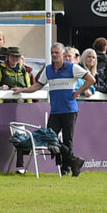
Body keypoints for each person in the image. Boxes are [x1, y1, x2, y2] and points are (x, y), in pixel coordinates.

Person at [26, 42, 92, 176]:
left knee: (67, 140)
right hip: (55, 110)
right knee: (50, 139)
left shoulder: (73, 67)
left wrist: (78, 91)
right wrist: (22, 90)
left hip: (69, 110)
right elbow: (38, 85)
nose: (54, 55)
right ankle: (74, 161)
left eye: (56, 52)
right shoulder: (49, 69)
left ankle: (66, 168)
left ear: (63, 54)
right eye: (52, 53)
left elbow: (91, 79)